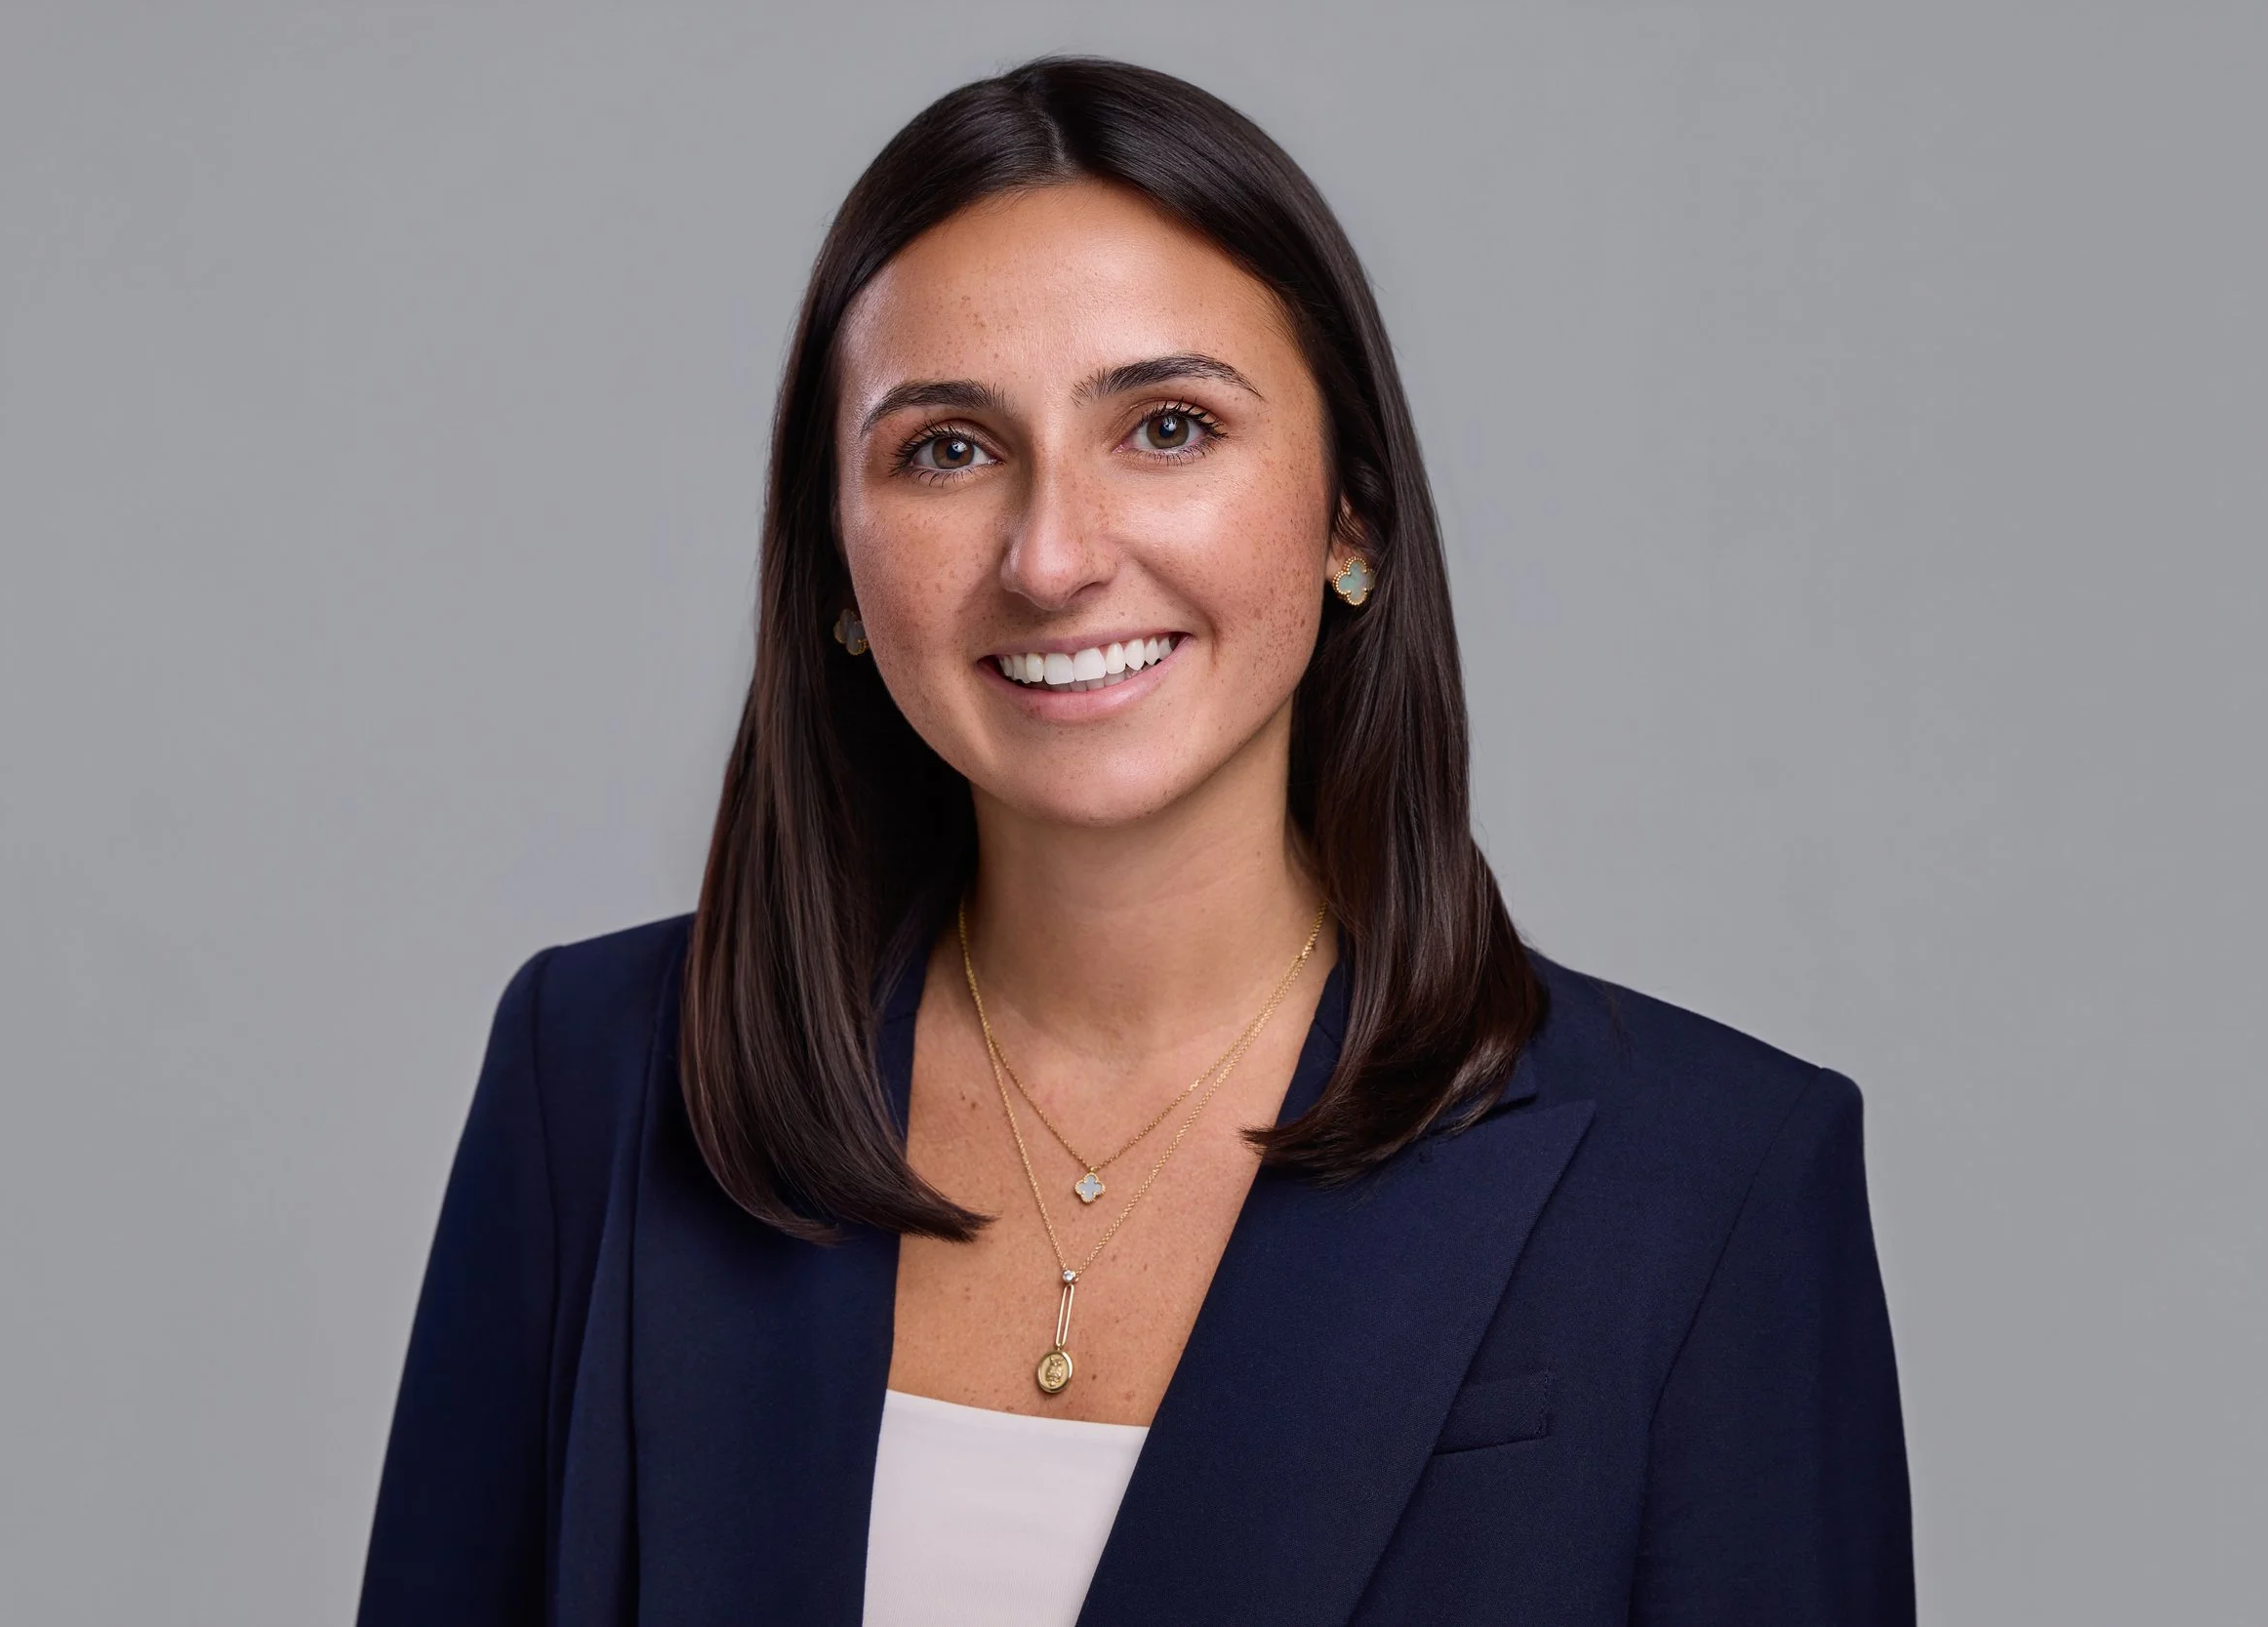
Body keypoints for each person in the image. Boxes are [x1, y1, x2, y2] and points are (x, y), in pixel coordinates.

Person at [356, 56, 1913, 1627]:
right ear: (834, 561)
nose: (1052, 558)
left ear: (1351, 516)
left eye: (1167, 426)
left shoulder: (1708, 1182)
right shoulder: (597, 1079)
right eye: (947, 449)